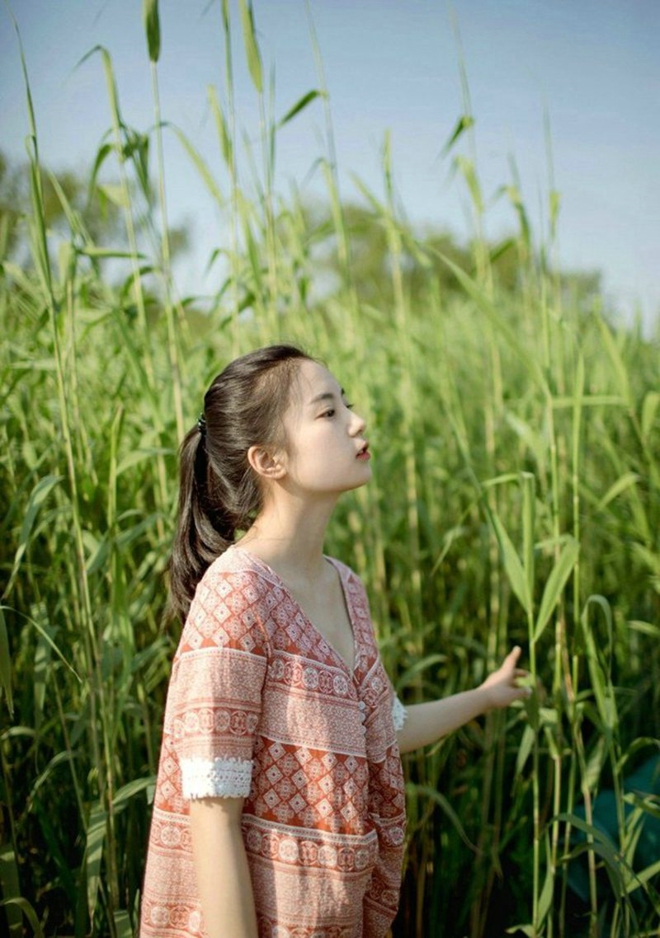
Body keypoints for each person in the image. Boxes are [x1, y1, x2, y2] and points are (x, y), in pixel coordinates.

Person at [139, 344, 530, 938]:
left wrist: (484, 695)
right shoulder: (237, 596)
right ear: (268, 458)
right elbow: (212, 812)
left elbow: (384, 729)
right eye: (328, 412)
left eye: (346, 403)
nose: (357, 420)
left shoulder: (345, 585)